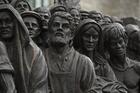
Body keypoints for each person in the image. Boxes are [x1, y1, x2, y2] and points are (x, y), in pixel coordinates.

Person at [42, 11, 97, 93]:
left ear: (71, 35)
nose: (60, 28)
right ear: (49, 32)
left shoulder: (84, 63)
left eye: (65, 26)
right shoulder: (40, 58)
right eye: (56, 25)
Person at [0, 4, 48, 93]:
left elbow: (39, 87)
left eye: (8, 21)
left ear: (16, 22)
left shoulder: (34, 52)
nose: (3, 25)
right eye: (0, 22)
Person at [104, 23, 140, 93]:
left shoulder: (137, 67)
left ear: (126, 42)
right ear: (107, 46)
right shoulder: (104, 68)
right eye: (113, 44)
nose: (118, 46)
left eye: (120, 42)